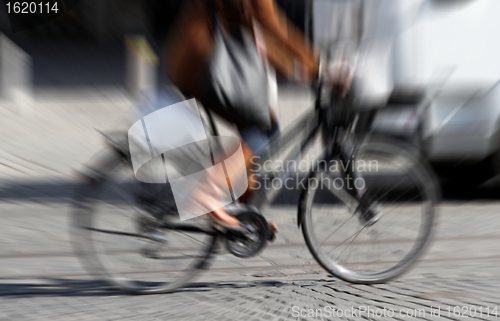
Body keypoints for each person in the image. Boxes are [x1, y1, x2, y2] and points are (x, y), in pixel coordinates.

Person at [163, 0, 351, 236]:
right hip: (207, 63)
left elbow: (255, 27)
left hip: (202, 56)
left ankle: (246, 217)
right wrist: (319, 68)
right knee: (265, 132)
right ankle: (209, 192)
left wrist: (301, 69)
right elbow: (270, 23)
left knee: (257, 133)